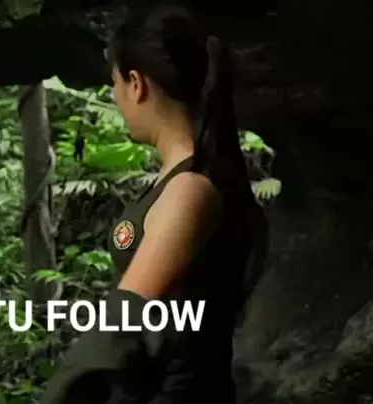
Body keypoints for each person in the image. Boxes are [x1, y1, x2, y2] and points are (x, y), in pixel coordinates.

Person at [39, 3, 268, 404]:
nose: (114, 97)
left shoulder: (189, 191)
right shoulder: (186, 179)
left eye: (114, 83)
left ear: (136, 83)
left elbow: (126, 318)